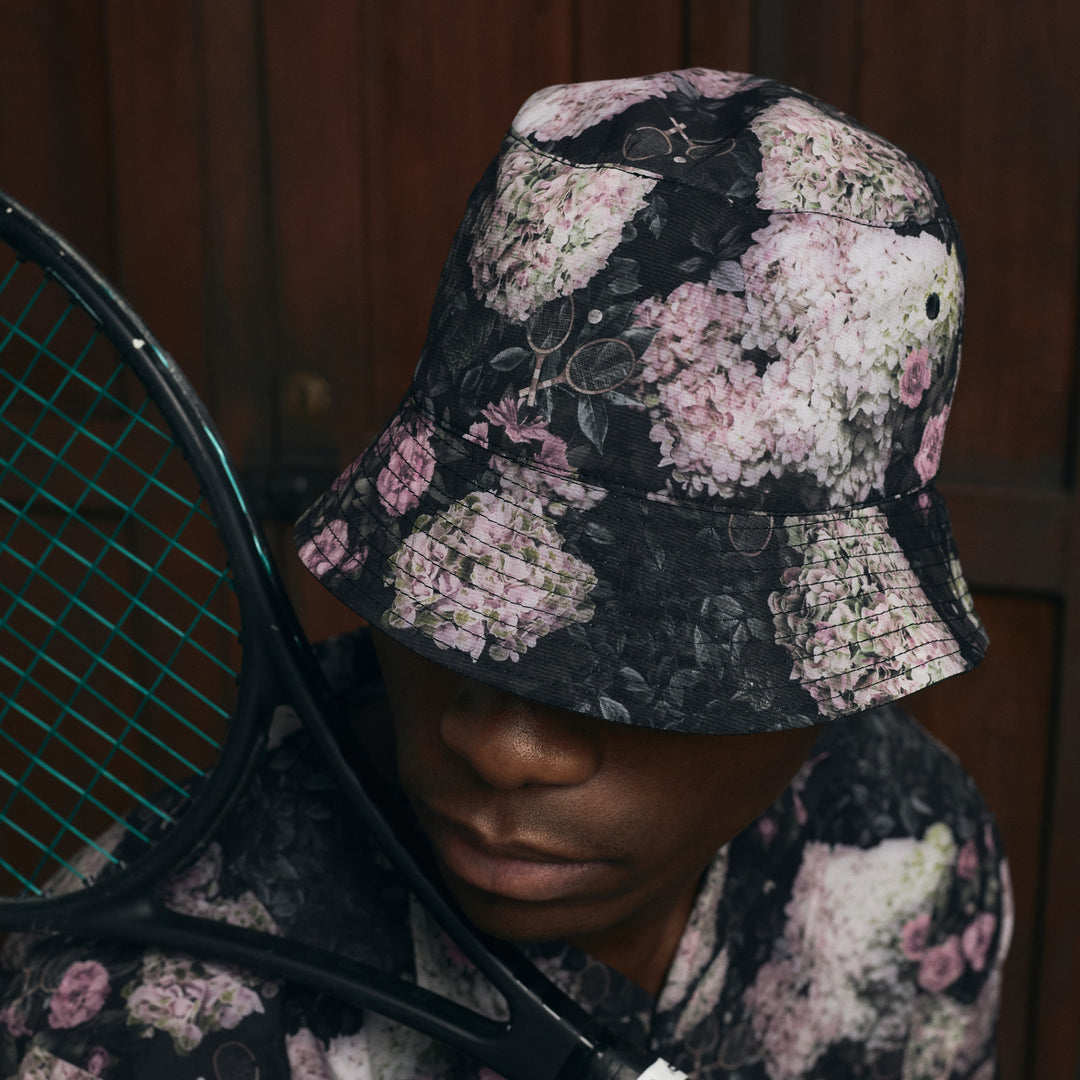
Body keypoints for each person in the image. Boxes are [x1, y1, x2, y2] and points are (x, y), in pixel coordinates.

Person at [0, 69, 1010, 1080]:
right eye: (457, 600)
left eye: (650, 656)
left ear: (832, 681)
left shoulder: (908, 848)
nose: (500, 746)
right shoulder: (119, 1024)